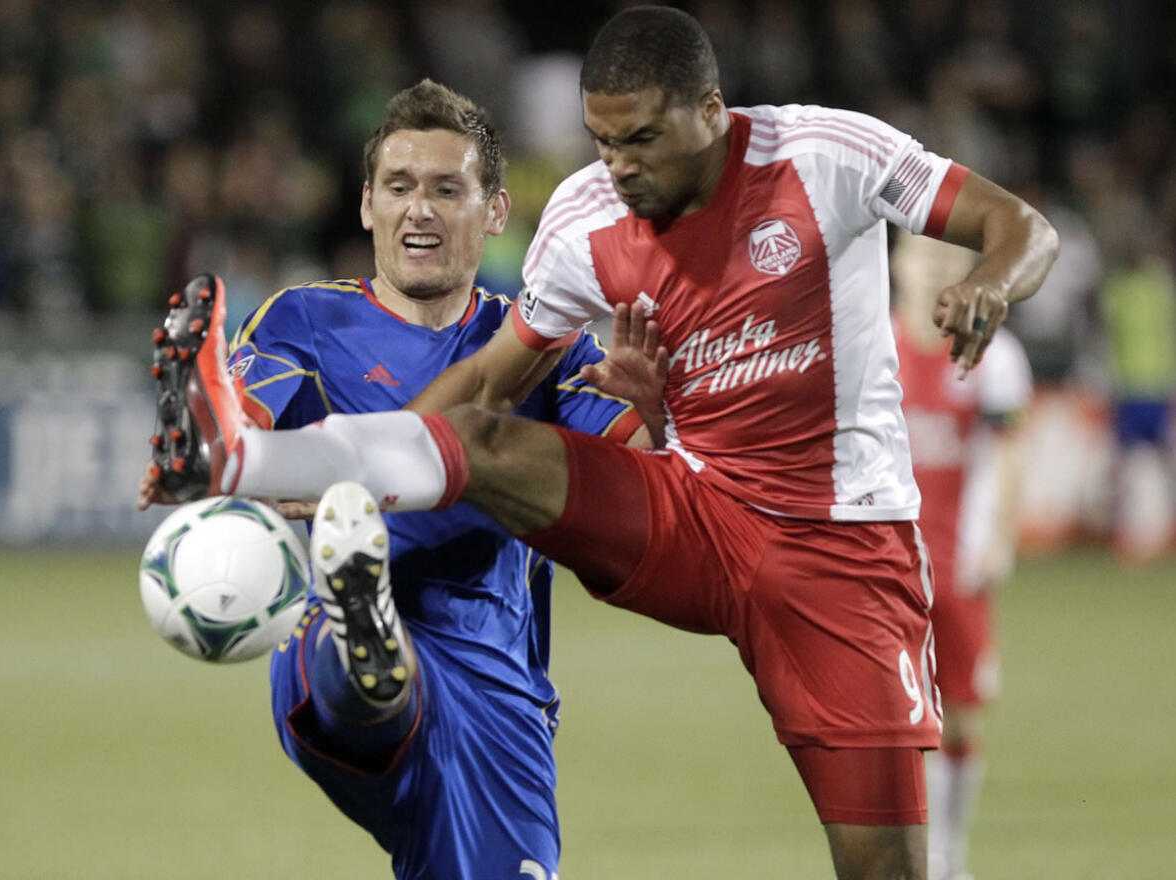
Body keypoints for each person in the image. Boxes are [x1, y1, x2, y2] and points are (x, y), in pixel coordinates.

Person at [154, 8, 1059, 878]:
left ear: (711, 111)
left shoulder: (828, 154)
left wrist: (990, 281)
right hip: (700, 516)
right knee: (488, 446)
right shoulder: (575, 225)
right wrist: (263, 470)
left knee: (891, 870)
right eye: (602, 141)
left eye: (641, 141)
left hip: (840, 551)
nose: (618, 167)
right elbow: (476, 395)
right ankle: (247, 470)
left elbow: (1022, 227)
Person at [139, 80, 643, 880]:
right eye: (400, 188)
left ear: (497, 210)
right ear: (368, 205)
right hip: (333, 646)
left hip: (496, 689)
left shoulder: (545, 348)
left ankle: (371, 637)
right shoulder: (304, 321)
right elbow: (251, 429)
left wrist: (667, 405)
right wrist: (234, 459)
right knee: (366, 676)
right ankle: (366, 626)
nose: (421, 210)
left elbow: (642, 477)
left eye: (448, 190)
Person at [892, 232, 1033, 880]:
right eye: (925, 255)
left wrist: (997, 537)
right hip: (883, 563)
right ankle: (908, 859)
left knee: (960, 712)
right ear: (899, 262)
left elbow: (1005, 452)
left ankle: (950, 856)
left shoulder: (993, 356)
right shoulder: (871, 348)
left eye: (950, 258)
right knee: (890, 721)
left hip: (957, 560)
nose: (936, 269)